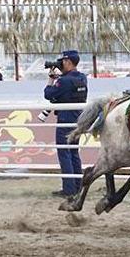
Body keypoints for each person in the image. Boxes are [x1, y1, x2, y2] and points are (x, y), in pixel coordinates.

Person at [43, 50, 88, 196]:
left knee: (64, 153)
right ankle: (77, 186)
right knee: (74, 153)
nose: (60, 64)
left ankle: (69, 189)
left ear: (68, 62)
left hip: (65, 120)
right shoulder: (82, 78)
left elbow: (48, 94)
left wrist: (51, 79)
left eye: (62, 61)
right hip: (79, 119)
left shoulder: (64, 81)